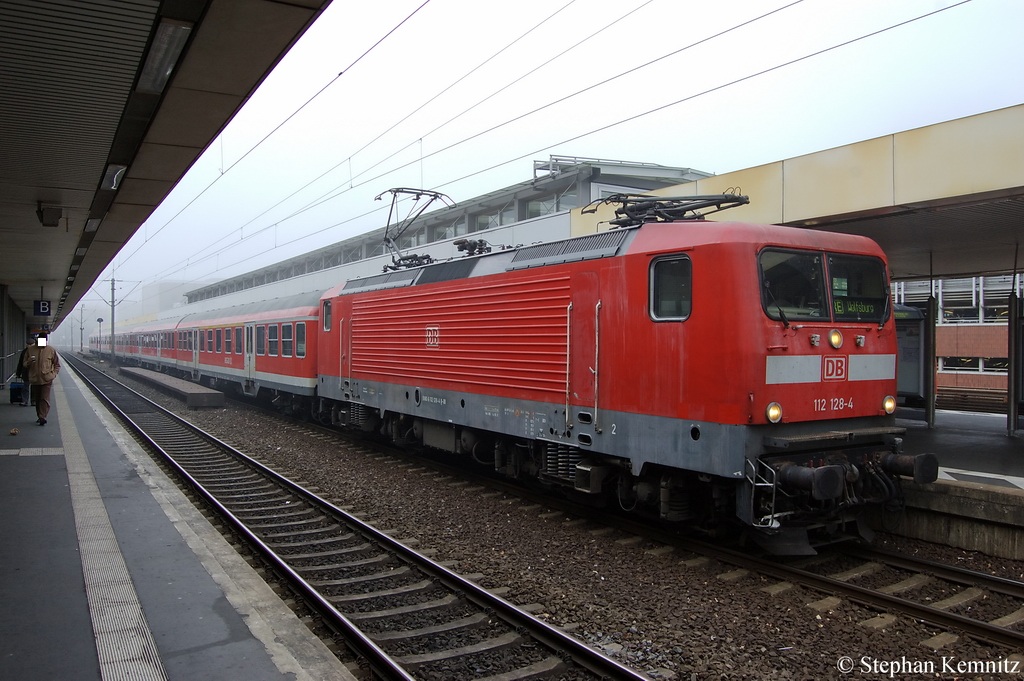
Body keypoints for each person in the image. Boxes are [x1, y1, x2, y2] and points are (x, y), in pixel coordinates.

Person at [23, 335, 60, 425]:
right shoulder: (30, 349)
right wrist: (29, 362)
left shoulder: (51, 350)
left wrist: (53, 374)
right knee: (38, 398)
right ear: (37, 340)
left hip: (47, 379)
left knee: (44, 398)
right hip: (35, 378)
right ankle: (39, 415)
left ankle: (42, 417)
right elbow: (24, 364)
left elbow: (57, 364)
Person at [14, 339, 32, 406]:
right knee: (25, 387)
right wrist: (18, 373)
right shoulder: (24, 352)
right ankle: (25, 401)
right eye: (28, 344)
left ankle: (33, 401)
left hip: (35, 373)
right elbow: (20, 363)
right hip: (26, 372)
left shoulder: (37, 351)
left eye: (30, 344)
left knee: (32, 388)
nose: (29, 346)